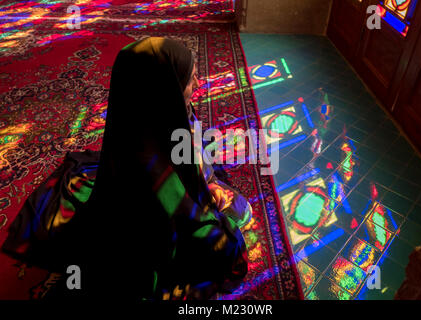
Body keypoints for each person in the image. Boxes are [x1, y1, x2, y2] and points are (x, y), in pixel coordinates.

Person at [2, 37, 252, 300]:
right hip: (151, 231)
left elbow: (193, 160)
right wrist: (205, 204)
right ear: (167, 87)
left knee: (239, 212)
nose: (198, 84)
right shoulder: (144, 156)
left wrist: (207, 184)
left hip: (176, 200)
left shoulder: (169, 108)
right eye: (191, 79)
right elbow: (170, 210)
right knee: (229, 243)